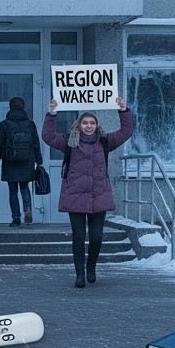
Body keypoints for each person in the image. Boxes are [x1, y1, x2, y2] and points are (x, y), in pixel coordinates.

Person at [43, 96, 134, 288]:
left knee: (96, 237)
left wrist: (123, 110)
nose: (89, 126)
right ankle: (80, 275)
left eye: (92, 123)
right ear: (79, 124)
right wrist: (52, 114)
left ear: (96, 125)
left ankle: (91, 266)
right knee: (78, 237)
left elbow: (126, 132)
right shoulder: (70, 141)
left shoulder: (105, 141)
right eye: (85, 122)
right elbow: (48, 137)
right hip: (74, 196)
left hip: (98, 195)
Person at [0, 97, 42, 227]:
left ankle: (16, 218)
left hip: (10, 160)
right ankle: (27, 209)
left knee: (13, 190)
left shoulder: (4, 124)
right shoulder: (30, 124)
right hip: (27, 160)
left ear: (10, 107)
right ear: (24, 107)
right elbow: (36, 144)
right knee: (25, 187)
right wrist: (39, 161)